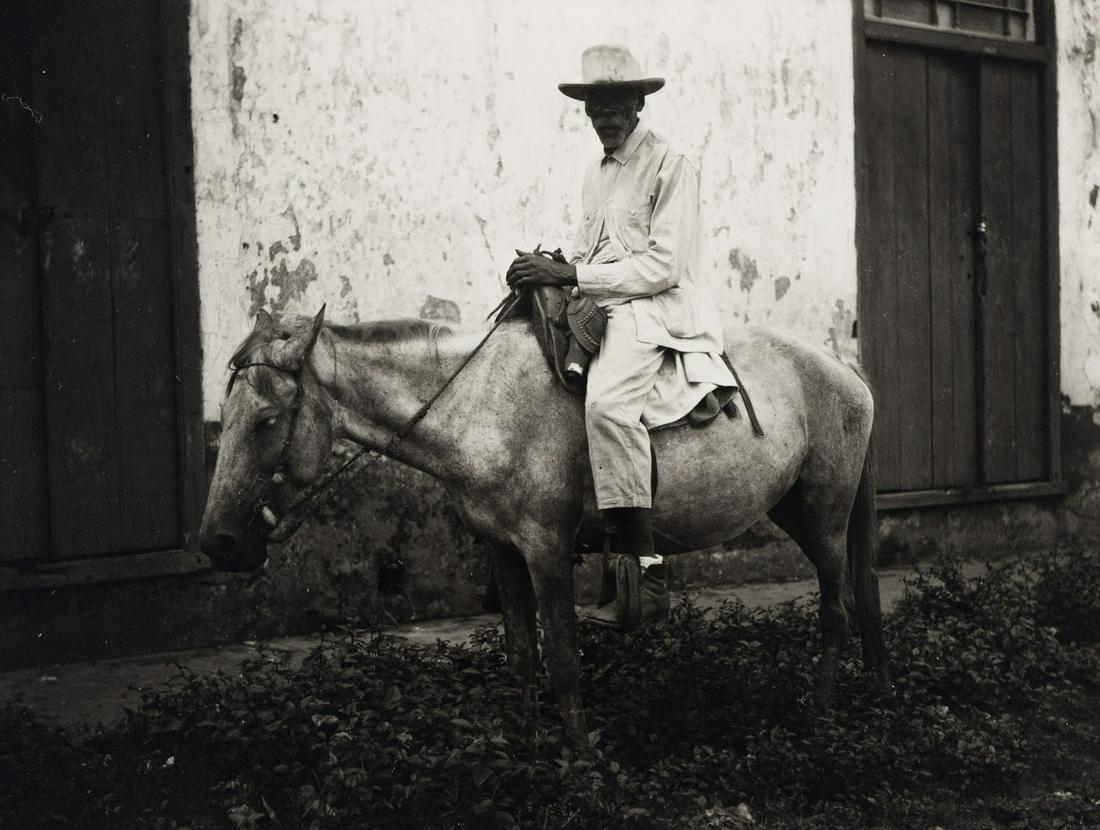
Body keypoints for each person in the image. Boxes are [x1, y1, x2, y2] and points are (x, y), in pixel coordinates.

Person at [506, 43, 734, 629]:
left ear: (637, 103)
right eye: (594, 105)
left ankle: (647, 571)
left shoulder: (671, 163)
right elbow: (588, 251)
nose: (604, 116)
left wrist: (573, 274)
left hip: (655, 308)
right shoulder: (594, 173)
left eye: (614, 104)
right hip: (603, 301)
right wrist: (546, 266)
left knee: (608, 407)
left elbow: (663, 267)